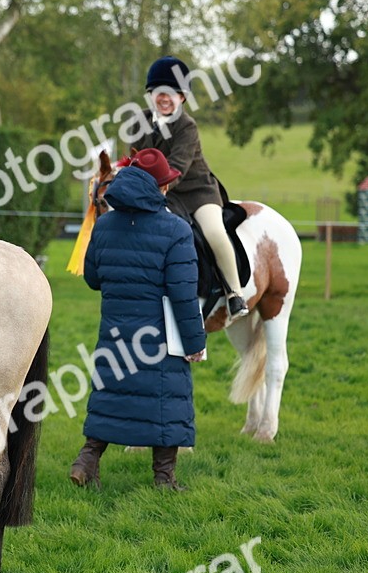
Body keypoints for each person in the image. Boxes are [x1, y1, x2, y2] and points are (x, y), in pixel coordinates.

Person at [69, 149, 207, 491]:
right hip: (160, 334)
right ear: (159, 187)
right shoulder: (176, 230)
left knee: (111, 395)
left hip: (115, 329)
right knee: (166, 398)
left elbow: (92, 278)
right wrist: (195, 343)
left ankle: (86, 462)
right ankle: (164, 478)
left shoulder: (103, 225)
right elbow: (183, 295)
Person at [129, 56, 248, 320]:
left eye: (172, 93)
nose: (165, 98)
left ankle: (235, 293)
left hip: (196, 192)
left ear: (182, 97)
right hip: (160, 195)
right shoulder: (139, 121)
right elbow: (134, 158)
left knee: (215, 232)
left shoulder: (187, 126)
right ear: (151, 94)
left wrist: (148, 190)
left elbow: (177, 167)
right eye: (160, 92)